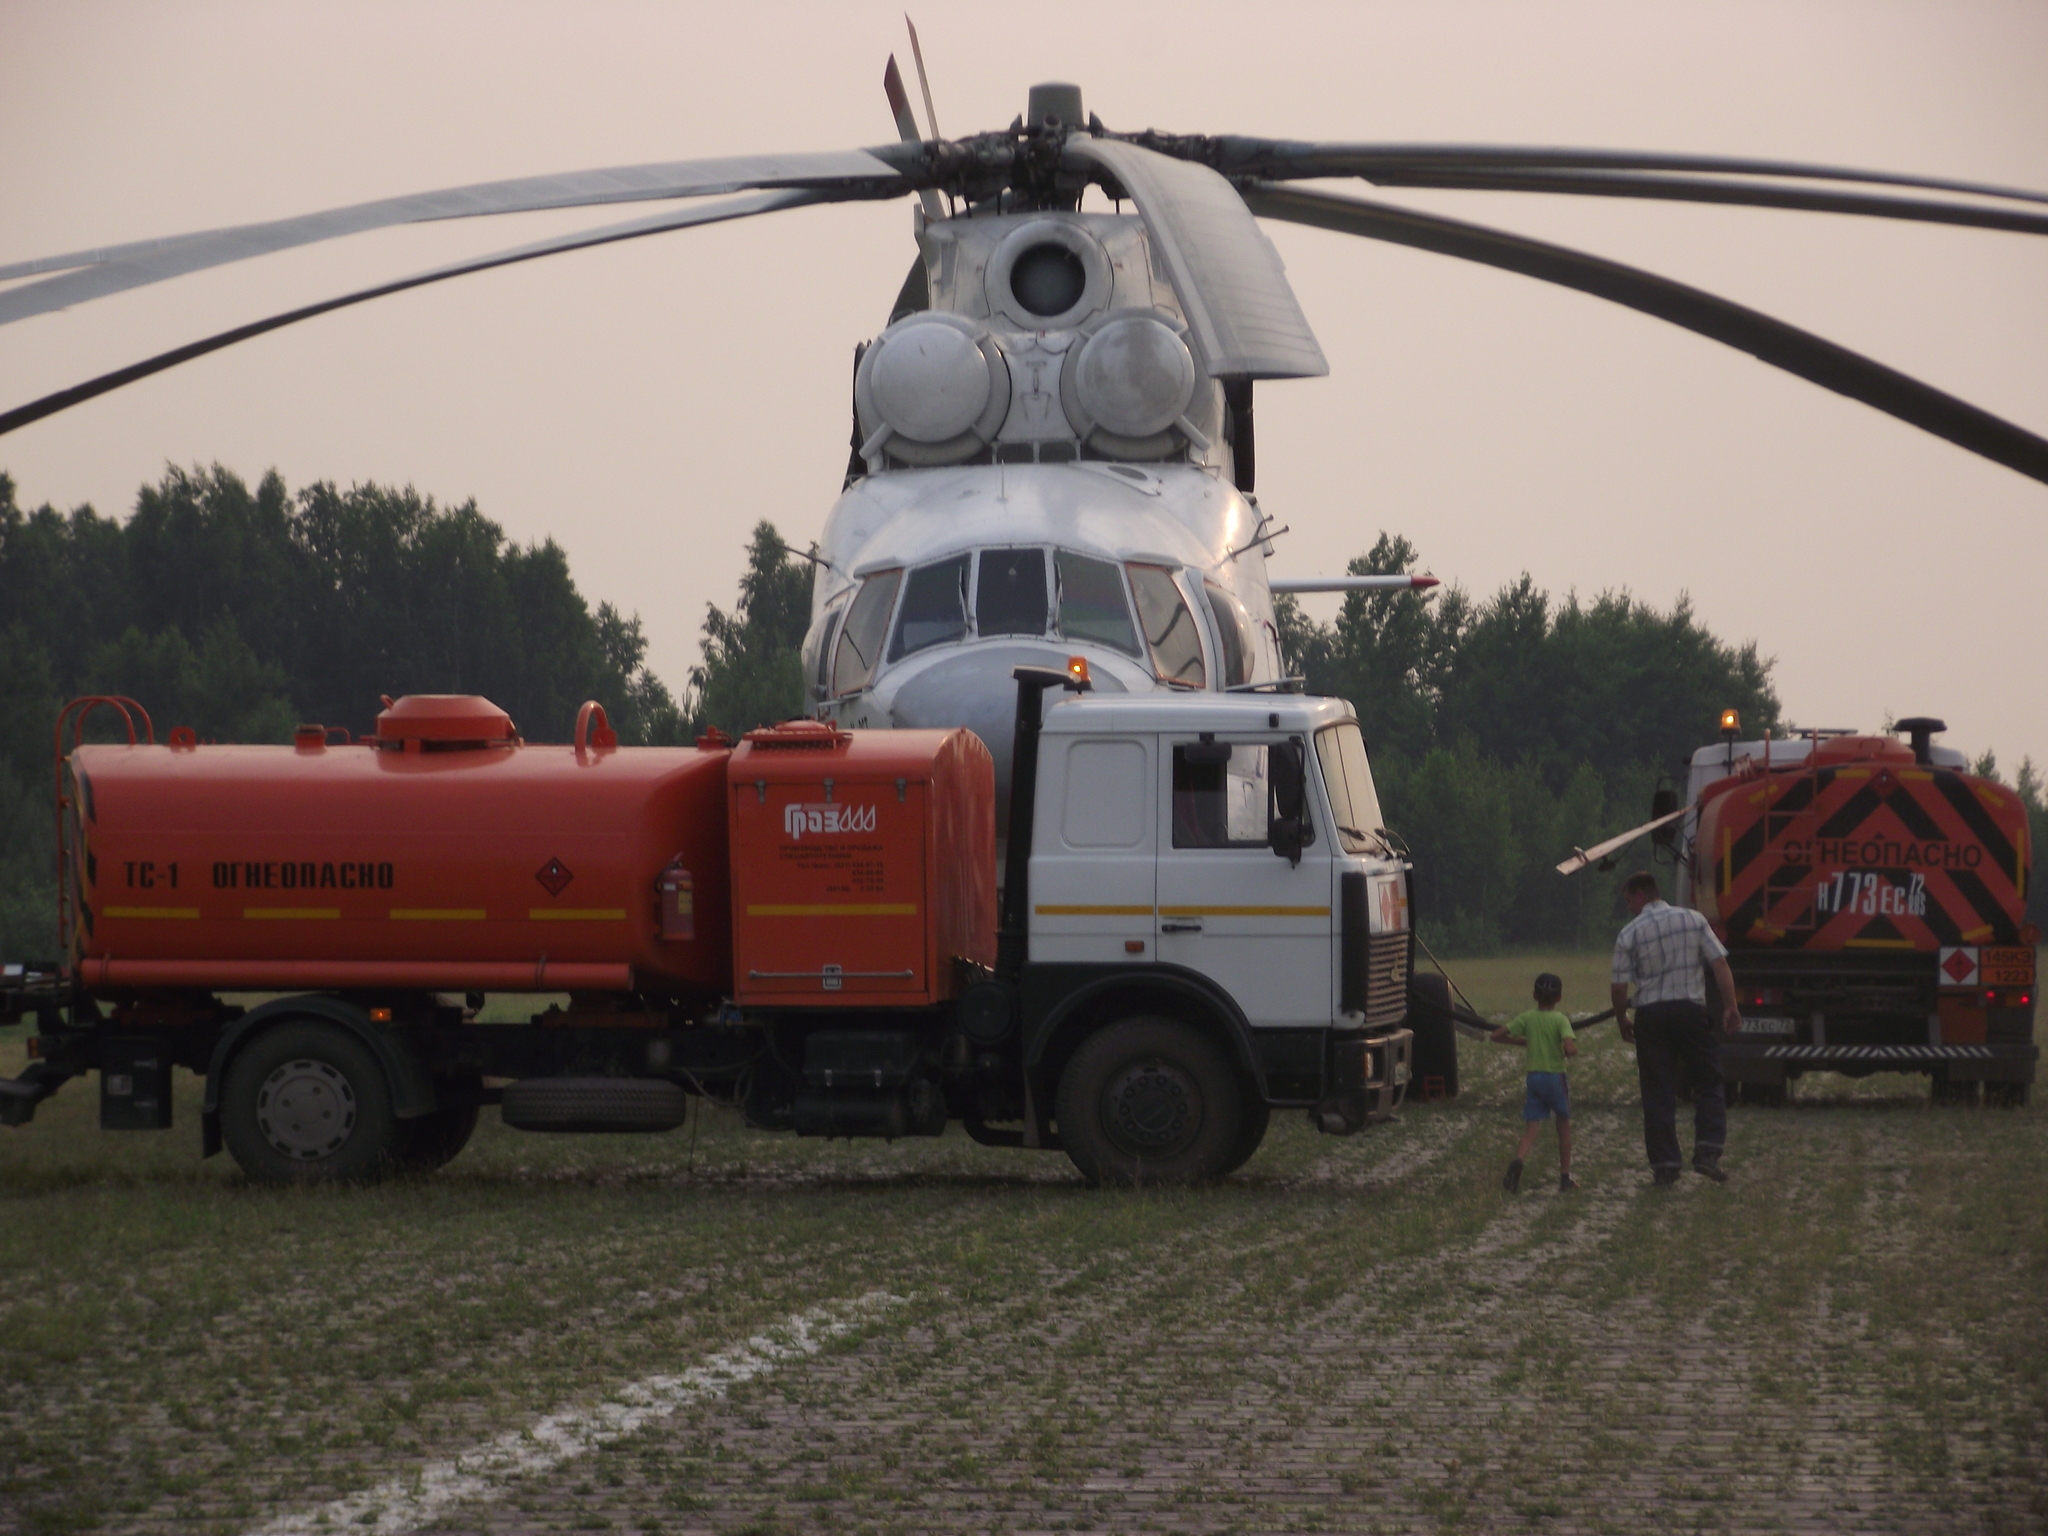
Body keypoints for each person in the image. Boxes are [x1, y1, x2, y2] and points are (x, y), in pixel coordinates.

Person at [1611, 870, 1743, 1185]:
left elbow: (1618, 986)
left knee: (1658, 1091)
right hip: (1690, 1011)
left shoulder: (1629, 933)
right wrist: (1731, 1006)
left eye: (1629, 900)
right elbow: (1719, 964)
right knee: (1709, 1082)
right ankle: (1708, 1151)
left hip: (1651, 1015)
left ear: (1641, 895)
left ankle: (1666, 1165)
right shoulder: (1694, 920)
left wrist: (1622, 1020)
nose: (1629, 907)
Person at [1490, 972, 1579, 1193]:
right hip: (1555, 1077)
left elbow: (1496, 1035)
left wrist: (1521, 1042)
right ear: (1559, 998)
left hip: (1534, 1078)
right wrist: (1571, 1049)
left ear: (1534, 995)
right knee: (1563, 1126)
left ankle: (1518, 1161)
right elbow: (1569, 1048)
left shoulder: (1527, 1018)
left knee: (1531, 1128)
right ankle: (1565, 1178)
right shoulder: (1560, 1020)